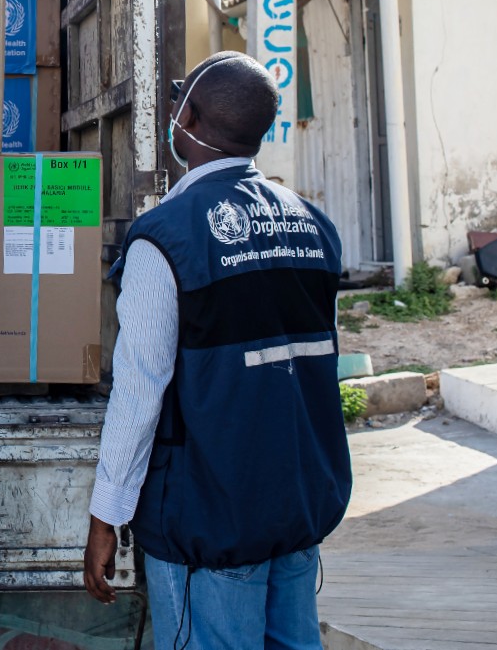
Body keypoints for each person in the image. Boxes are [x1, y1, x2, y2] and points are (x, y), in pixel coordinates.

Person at [83, 51, 351, 649]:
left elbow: (138, 391)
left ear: (192, 123)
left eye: (179, 102)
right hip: (297, 509)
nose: (174, 112)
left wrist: (108, 514)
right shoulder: (315, 226)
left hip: (211, 518)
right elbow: (314, 368)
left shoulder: (166, 238)